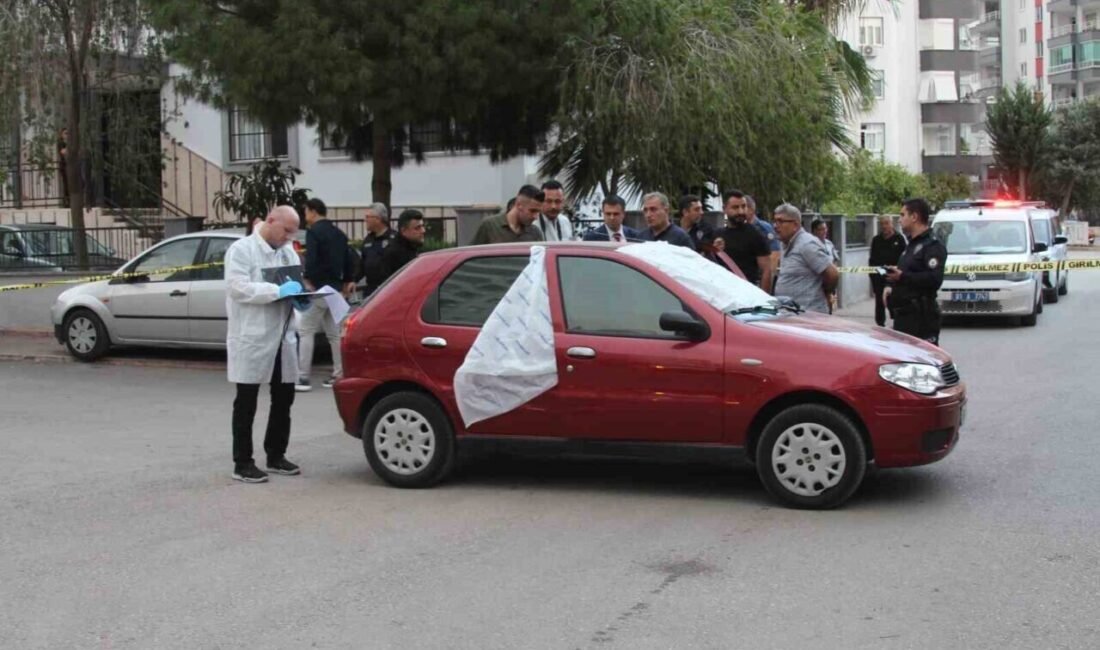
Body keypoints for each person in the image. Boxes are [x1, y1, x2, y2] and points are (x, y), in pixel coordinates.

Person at [224, 205, 305, 483]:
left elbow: (295, 280)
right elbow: (237, 287)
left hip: (283, 335)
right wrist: (276, 291)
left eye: (293, 233)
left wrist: (301, 296)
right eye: (286, 231)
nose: (288, 238)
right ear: (271, 220)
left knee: (284, 398)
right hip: (253, 335)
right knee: (246, 401)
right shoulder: (242, 249)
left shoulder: (287, 250)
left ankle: (276, 455)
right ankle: (242, 462)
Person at [296, 198, 351, 392]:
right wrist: (347, 281)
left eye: (306, 212)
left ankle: (302, 377)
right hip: (335, 289)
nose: (305, 216)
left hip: (319, 289)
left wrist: (308, 279)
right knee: (334, 334)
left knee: (306, 330)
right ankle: (339, 373)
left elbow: (311, 260)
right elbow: (349, 257)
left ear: (312, 211)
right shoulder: (339, 233)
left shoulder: (314, 233)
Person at [885, 198, 947, 345]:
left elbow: (934, 279)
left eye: (902, 215)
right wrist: (890, 286)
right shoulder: (911, 245)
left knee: (922, 364)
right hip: (904, 318)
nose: (899, 220)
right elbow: (904, 271)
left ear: (914, 217)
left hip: (921, 319)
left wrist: (902, 277)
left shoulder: (932, 246)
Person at [772, 204, 838, 314]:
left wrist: (826, 292)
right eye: (775, 221)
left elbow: (832, 274)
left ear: (795, 224)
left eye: (781, 221)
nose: (775, 226)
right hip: (791, 315)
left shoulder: (806, 244)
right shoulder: (785, 244)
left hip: (809, 315)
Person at [715, 189, 773, 291]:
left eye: (743, 206)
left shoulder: (755, 234)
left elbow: (767, 270)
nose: (741, 211)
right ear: (724, 209)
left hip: (746, 294)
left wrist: (763, 299)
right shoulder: (717, 235)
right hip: (722, 292)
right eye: (735, 207)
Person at [471, 185, 545, 244]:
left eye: (538, 212)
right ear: (519, 205)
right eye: (532, 211)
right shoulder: (490, 226)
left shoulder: (535, 232)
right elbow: (471, 255)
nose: (536, 217)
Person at [868, 215, 907, 327]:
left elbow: (904, 258)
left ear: (891, 224)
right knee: (879, 302)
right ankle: (880, 325)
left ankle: (896, 323)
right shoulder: (876, 240)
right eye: (882, 224)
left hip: (894, 275)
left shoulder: (899, 239)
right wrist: (873, 275)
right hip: (879, 275)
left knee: (893, 300)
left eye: (886, 223)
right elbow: (872, 260)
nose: (884, 226)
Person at [359, 202, 395, 298]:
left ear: (378, 219)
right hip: (370, 291)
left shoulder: (395, 240)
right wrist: (353, 280)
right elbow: (361, 265)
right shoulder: (368, 240)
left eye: (368, 217)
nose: (365, 220)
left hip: (389, 290)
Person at [379, 209, 426, 280]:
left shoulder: (412, 247)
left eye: (422, 226)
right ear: (403, 231)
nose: (423, 230)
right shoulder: (393, 254)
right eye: (417, 228)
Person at [746, 195, 780, 270]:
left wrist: (768, 279)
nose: (740, 211)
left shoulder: (763, 228)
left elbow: (774, 254)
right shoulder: (739, 228)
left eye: (743, 207)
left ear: (751, 210)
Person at [57, 128, 69, 208]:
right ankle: (67, 202)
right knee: (66, 184)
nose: (67, 135)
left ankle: (70, 201)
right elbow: (63, 152)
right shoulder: (60, 143)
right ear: (62, 135)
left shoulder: (70, 143)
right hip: (64, 166)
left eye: (68, 133)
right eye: (65, 133)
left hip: (71, 166)